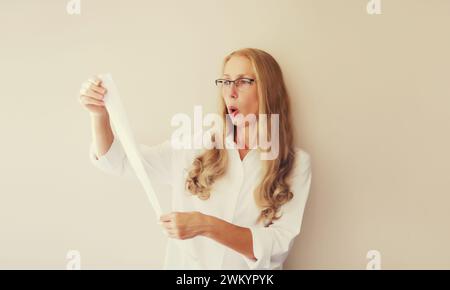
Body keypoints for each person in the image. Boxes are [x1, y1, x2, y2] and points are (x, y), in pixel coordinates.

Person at [78, 48, 312, 269]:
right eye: (226, 81)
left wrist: (206, 225)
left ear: (267, 90)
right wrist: (99, 116)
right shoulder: (192, 147)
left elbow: (277, 246)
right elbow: (121, 163)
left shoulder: (296, 163)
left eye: (242, 82)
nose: (230, 92)